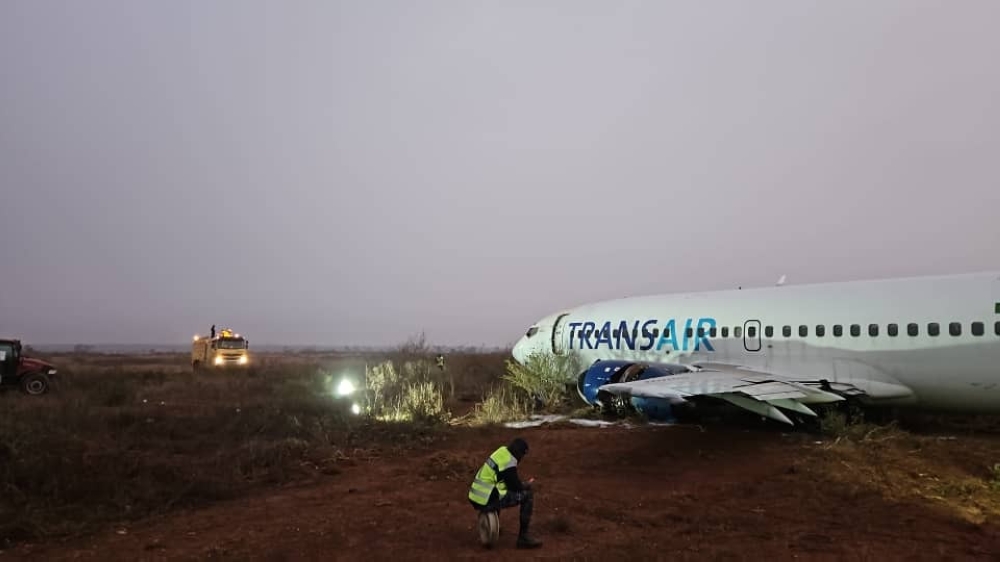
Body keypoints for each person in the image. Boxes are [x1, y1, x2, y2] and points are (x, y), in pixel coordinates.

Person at [467, 437, 542, 549]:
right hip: (486, 500)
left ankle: (493, 526)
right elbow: (515, 486)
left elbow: (504, 480)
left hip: (476, 496)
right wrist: (526, 485)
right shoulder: (509, 462)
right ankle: (523, 537)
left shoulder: (501, 451)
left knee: (500, 490)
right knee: (527, 496)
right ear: (519, 453)